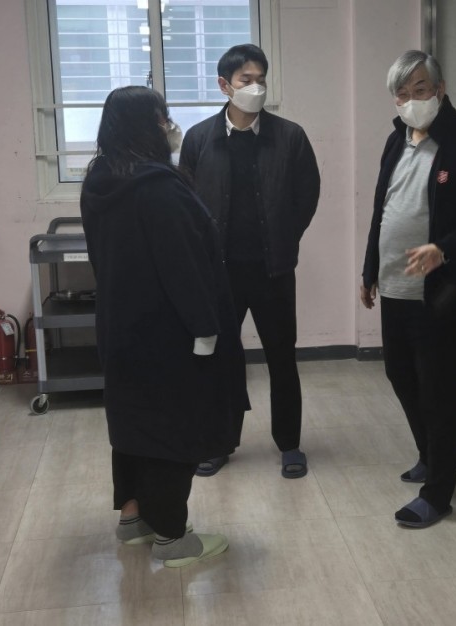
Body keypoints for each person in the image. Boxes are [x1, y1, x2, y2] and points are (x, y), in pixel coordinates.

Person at [80, 86, 248, 568]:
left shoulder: (100, 181)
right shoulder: (159, 188)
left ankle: (133, 518)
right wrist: (205, 327)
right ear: (143, 127)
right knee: (175, 430)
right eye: (161, 118)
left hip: (121, 325)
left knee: (133, 423)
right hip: (170, 333)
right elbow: (183, 267)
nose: (169, 126)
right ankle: (173, 537)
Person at [361, 50, 456, 528]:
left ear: (440, 89)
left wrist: (444, 248)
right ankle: (433, 455)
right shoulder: (396, 138)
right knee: (400, 375)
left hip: (440, 289)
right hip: (395, 283)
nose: (410, 101)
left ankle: (438, 491)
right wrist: (369, 270)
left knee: (438, 389)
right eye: (401, 94)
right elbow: (382, 209)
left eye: (419, 90)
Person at [180, 44, 320, 480]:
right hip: (219, 273)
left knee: (282, 357)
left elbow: (307, 195)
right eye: (246, 80)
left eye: (261, 79)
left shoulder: (290, 136)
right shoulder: (199, 139)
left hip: (272, 269)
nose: (256, 87)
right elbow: (186, 203)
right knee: (221, 359)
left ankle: (290, 444)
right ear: (225, 85)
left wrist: (284, 238)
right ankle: (218, 443)